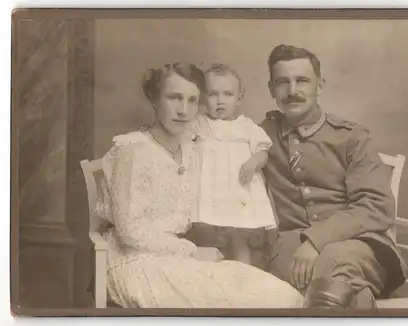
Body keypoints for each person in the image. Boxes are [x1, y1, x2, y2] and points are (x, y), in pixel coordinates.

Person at [95, 62, 304, 308]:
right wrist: (192, 251)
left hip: (179, 258)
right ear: (154, 98)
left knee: (283, 296)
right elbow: (131, 232)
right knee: (247, 303)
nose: (183, 110)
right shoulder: (132, 151)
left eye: (192, 101)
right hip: (137, 264)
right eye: (174, 98)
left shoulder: (192, 147)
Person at [259, 45, 408, 309]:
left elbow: (376, 206)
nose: (292, 91)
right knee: (350, 295)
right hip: (289, 249)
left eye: (302, 81)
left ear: (320, 85)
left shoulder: (351, 137)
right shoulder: (259, 137)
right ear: (271, 89)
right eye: (283, 82)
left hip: (358, 246)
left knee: (337, 263)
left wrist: (316, 241)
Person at [188, 64, 277, 265]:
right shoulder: (199, 123)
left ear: (239, 97)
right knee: (205, 234)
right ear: (202, 97)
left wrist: (253, 163)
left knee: (239, 236)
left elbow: (263, 152)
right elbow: (182, 145)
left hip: (237, 188)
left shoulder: (247, 126)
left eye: (228, 94)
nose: (220, 101)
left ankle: (242, 276)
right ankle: (209, 277)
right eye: (213, 94)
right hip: (209, 189)